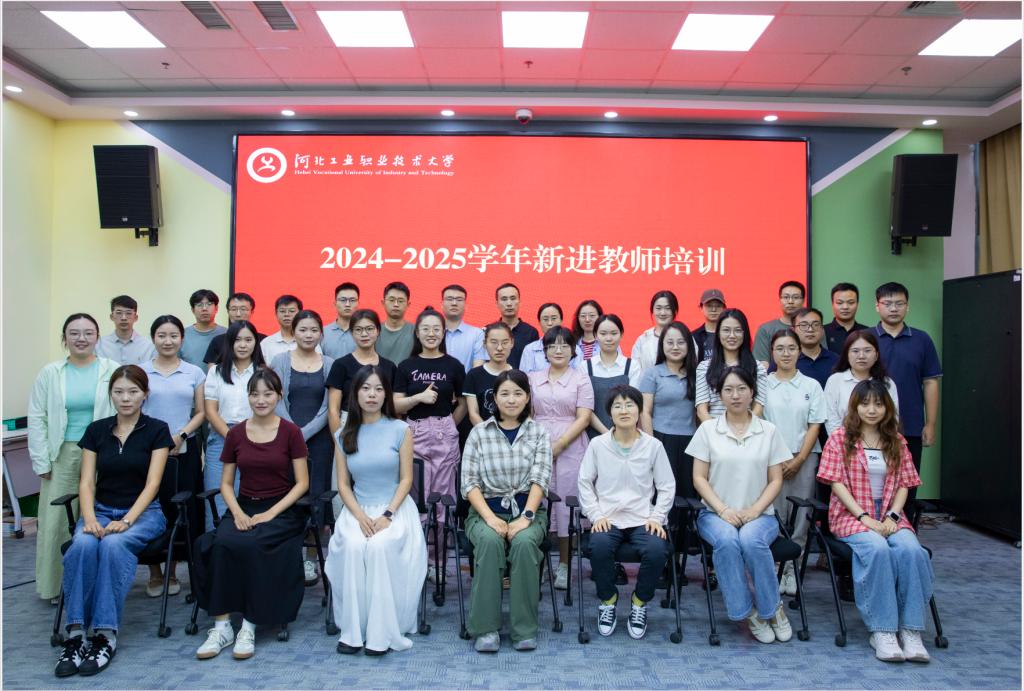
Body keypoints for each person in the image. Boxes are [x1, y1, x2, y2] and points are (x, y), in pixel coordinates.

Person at [54, 365, 173, 677]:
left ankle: (105, 635)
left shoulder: (157, 430)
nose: (126, 398)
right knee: (82, 545)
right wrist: (90, 519)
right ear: (111, 395)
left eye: (133, 391)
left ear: (145, 394)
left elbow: (153, 484)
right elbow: (86, 482)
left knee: (113, 545)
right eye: (119, 392)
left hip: (144, 514)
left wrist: (128, 520)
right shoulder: (96, 430)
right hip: (101, 510)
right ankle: (76, 634)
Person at [193, 369, 310, 661]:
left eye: (268, 394)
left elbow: (302, 484)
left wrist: (270, 513)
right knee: (219, 543)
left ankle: (249, 624)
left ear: (279, 396)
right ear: (247, 397)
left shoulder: (291, 432)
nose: (261, 400)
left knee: (255, 544)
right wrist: (237, 513)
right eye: (255, 394)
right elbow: (226, 484)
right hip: (244, 506)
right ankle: (222, 627)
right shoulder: (235, 433)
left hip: (281, 510)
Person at [816, 379, 933, 663]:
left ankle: (911, 630)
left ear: (887, 408)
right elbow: (835, 484)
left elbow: (905, 483)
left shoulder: (897, 440)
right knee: (878, 549)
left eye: (878, 404)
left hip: (890, 515)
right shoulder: (839, 438)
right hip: (851, 516)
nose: (871, 410)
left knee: (912, 551)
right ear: (855, 406)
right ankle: (883, 630)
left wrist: (893, 515)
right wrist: (864, 517)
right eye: (865, 404)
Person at [324, 365, 427, 655]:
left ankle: (381, 633)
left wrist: (387, 515)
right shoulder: (343, 433)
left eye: (379, 389)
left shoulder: (400, 429)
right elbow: (343, 484)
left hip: (394, 509)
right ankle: (353, 631)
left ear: (386, 395)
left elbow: (406, 479)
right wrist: (359, 516)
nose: (372, 394)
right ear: (356, 394)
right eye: (365, 388)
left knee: (380, 546)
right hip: (357, 510)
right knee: (353, 546)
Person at [688, 366, 793, 644]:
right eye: (728, 390)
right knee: (726, 541)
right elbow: (699, 478)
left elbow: (776, 480)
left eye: (741, 389)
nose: (735, 395)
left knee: (750, 540)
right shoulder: (708, 430)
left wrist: (755, 510)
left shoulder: (768, 431)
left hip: (760, 515)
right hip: (715, 514)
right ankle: (749, 613)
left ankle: (773, 609)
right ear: (720, 395)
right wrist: (723, 510)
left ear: (752, 392)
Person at [29, 314, 118, 604]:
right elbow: (37, 417)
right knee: (56, 521)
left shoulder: (111, 369)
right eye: (74, 333)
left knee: (97, 517)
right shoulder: (51, 373)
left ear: (97, 337)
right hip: (62, 452)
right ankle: (55, 587)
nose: (81, 338)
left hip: (102, 450)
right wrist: (41, 460)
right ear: (64, 338)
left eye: (88, 333)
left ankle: (95, 586)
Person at [461, 370, 552, 653]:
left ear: (527, 398)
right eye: (505, 394)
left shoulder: (538, 433)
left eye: (517, 394)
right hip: (485, 512)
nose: (511, 400)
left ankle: (524, 629)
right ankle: (486, 629)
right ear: (494, 398)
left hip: (528, 512)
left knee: (524, 544)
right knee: (490, 542)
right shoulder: (479, 433)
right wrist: (490, 518)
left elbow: (540, 479)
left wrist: (526, 517)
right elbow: (469, 483)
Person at [578, 385, 674, 640]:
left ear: (639, 410)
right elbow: (584, 482)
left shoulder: (653, 446)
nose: (624, 410)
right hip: (607, 517)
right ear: (609, 412)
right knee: (598, 546)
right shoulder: (598, 445)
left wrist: (657, 517)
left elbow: (667, 486)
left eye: (630, 405)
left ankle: (639, 602)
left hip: (643, 517)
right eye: (617, 406)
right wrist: (596, 515)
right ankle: (608, 600)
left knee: (657, 549)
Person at [141, 315, 207, 598]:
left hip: (183, 449)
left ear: (182, 339)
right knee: (150, 508)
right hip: (147, 451)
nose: (167, 341)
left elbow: (201, 412)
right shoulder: (140, 371)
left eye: (173, 336)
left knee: (182, 509)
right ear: (153, 338)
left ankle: (173, 570)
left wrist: (181, 435)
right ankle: (155, 573)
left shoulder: (194, 372)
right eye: (161, 335)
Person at [270, 310, 335, 585]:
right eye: (303, 330)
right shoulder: (279, 360)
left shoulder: (330, 364)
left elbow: (328, 407)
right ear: (293, 332)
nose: (308, 335)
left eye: (313, 330)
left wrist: (304, 433)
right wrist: (294, 432)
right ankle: (289, 555)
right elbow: (274, 398)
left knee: (316, 497)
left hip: (319, 442)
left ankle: (310, 558)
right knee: (287, 494)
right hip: (284, 439)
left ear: (321, 333)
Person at [527, 326, 594, 590]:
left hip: (572, 446)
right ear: (544, 351)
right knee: (538, 503)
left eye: (564, 345)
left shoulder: (581, 379)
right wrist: (541, 445)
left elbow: (584, 417)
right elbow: (528, 414)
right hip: (536, 444)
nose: (558, 350)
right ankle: (539, 561)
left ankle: (564, 565)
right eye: (552, 345)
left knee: (567, 505)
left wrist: (561, 444)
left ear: (573, 350)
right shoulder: (532, 378)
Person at [762, 329, 825, 596]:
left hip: (804, 457)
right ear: (772, 352)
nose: (785, 353)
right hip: (770, 460)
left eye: (791, 348)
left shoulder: (812, 385)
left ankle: (793, 569)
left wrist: (799, 459)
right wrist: (778, 458)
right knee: (773, 514)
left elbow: (815, 425)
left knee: (802, 516)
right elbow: (760, 424)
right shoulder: (763, 384)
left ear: (800, 351)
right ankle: (776, 566)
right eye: (780, 348)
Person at [393, 308, 467, 514]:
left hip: (445, 432)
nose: (431, 333)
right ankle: (418, 534)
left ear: (443, 333)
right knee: (417, 490)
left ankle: (442, 534)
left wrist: (449, 424)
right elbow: (396, 405)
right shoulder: (406, 366)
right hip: (414, 432)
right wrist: (418, 398)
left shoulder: (454, 365)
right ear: (417, 333)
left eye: (436, 329)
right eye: (425, 329)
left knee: (444, 491)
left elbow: (463, 403)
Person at [873, 282, 941, 488]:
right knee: (873, 485)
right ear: (877, 306)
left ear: (907, 306)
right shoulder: (867, 339)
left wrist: (930, 424)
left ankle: (907, 512)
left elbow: (930, 382)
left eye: (899, 303)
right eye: (887, 303)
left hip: (910, 425)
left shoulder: (922, 339)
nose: (894, 308)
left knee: (907, 484)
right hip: (871, 425)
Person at [203, 320, 265, 529]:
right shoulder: (216, 371)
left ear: (255, 343)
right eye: (237, 340)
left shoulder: (263, 372)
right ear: (229, 342)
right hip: (221, 438)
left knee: (251, 497)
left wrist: (245, 439)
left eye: (248, 340)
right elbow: (210, 411)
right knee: (218, 498)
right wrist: (233, 438)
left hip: (257, 437)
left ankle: (246, 544)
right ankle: (216, 543)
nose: (243, 345)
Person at [639, 321, 698, 499]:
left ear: (689, 345)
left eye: (681, 342)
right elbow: (645, 411)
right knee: (663, 492)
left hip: (691, 442)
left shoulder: (697, 375)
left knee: (688, 493)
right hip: (661, 439)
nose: (675, 347)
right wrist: (651, 444)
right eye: (670, 342)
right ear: (662, 345)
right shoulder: (652, 373)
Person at [327, 310, 398, 439]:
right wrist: (339, 441)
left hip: (383, 427)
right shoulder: (340, 365)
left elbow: (393, 405)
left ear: (378, 331)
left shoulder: (390, 367)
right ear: (352, 333)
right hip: (348, 426)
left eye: (369, 329)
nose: (364, 334)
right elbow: (333, 409)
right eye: (358, 330)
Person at [695, 308, 767, 422]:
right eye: (726, 330)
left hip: (747, 430)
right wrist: (717, 430)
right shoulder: (704, 368)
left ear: (744, 334)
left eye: (737, 330)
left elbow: (758, 407)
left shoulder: (758, 368)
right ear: (718, 334)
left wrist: (743, 429)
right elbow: (701, 410)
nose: (732, 335)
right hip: (714, 430)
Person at [823, 331, 899, 436]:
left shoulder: (887, 383)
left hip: (879, 442)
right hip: (842, 443)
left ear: (876, 355)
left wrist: (875, 443)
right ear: (847, 355)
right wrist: (842, 442)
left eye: (867, 351)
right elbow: (831, 420)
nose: (861, 356)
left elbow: (892, 418)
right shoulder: (835, 381)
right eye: (855, 351)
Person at [586, 314, 643, 439]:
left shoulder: (632, 366)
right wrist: (607, 434)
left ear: (621, 334)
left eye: (614, 333)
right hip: (594, 435)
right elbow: (585, 408)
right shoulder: (585, 366)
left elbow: (634, 404)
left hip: (626, 434)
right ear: (595, 335)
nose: (608, 338)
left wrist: (618, 433)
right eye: (603, 333)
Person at [769, 307, 839, 390]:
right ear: (793, 330)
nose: (810, 329)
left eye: (816, 325)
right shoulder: (784, 361)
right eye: (803, 325)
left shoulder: (836, 360)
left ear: (822, 329)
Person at [463, 322, 514, 426]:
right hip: (482, 433)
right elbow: (473, 414)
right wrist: (488, 433)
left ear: (512, 343)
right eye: (494, 342)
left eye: (505, 342)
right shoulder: (473, 375)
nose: (499, 348)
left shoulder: (519, 376)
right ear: (484, 344)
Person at [202, 293, 265, 367]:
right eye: (234, 309)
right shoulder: (217, 341)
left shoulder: (264, 340)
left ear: (252, 312)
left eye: (243, 309)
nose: (238, 314)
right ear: (228, 312)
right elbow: (212, 370)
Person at [753, 281, 806, 365]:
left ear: (803, 301)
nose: (790, 301)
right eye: (786, 297)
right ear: (780, 300)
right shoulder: (765, 330)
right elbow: (762, 365)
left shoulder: (812, 329)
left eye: (796, 297)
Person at [94, 295, 156, 365]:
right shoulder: (99, 345)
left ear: (135, 317)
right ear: (111, 316)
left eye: (128, 313)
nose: (124, 318)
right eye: (119, 313)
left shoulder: (148, 346)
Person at [442, 284, 486, 372]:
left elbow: (477, 370)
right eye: (449, 299)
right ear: (442, 304)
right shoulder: (433, 334)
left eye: (459, 300)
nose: (454, 303)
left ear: (466, 305)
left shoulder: (477, 334)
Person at [631, 290, 679, 371]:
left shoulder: (685, 337)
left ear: (675, 311)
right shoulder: (642, 340)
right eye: (658, 308)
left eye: (668, 308)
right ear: (652, 311)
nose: (663, 313)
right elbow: (635, 371)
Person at [495, 283, 538, 369]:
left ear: (519, 301)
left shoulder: (531, 332)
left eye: (513, 298)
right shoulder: (489, 331)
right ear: (497, 303)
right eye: (504, 299)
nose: (509, 303)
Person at [180, 289, 226, 370]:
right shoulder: (182, 335)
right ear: (193, 310)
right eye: (199, 305)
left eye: (209, 304)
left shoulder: (226, 333)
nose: (204, 308)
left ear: (216, 308)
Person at [518, 303, 570, 374]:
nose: (550, 323)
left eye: (554, 318)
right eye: (545, 319)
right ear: (539, 322)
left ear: (561, 321)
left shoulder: (574, 349)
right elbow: (524, 377)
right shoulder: (529, 350)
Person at [376, 282, 415, 364]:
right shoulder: (374, 331)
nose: (396, 304)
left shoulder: (416, 332)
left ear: (408, 304)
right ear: (383, 303)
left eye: (400, 301)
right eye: (391, 300)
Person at [825, 282, 867, 354]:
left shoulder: (867, 332)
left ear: (857, 304)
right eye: (839, 303)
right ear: (832, 304)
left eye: (851, 302)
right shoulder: (822, 332)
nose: (845, 307)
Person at [260, 294, 304, 363]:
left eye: (292, 311)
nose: (287, 314)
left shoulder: (308, 341)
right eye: (282, 311)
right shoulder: (266, 343)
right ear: (276, 314)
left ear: (300, 313)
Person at [322, 282, 359, 360]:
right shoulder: (323, 333)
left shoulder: (364, 333)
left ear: (358, 303)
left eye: (352, 300)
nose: (347, 304)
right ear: (335, 303)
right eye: (343, 300)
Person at [692, 289, 726, 363]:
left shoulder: (730, 335)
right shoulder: (693, 336)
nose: (714, 309)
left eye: (718, 306)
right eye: (709, 305)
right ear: (701, 308)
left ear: (724, 308)